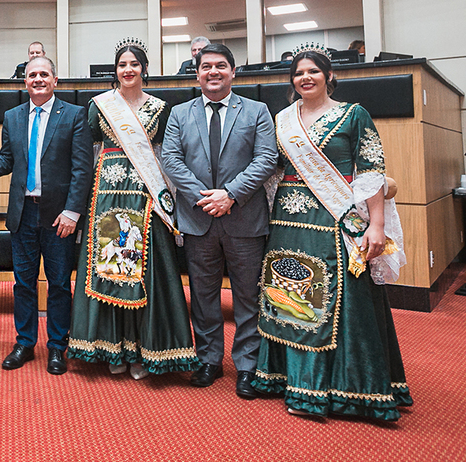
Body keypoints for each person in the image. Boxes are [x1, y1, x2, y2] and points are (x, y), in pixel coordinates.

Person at [252, 44, 411, 420]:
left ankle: (346, 387)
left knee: (339, 296)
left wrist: (376, 225)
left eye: (313, 72)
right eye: (298, 73)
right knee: (289, 293)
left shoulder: (353, 116)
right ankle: (290, 380)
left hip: (335, 218)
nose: (305, 78)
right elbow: (271, 170)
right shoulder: (282, 120)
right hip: (288, 222)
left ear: (329, 76)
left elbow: (371, 172)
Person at [67, 38, 199, 379]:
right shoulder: (99, 106)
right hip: (107, 195)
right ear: (116, 71)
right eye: (122, 65)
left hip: (146, 195)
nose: (128, 70)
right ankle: (112, 347)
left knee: (146, 272)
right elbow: (90, 151)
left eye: (134, 65)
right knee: (109, 268)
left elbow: (165, 155)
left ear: (144, 70)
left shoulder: (160, 108)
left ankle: (145, 349)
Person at [161, 42, 276, 399]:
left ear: (233, 72)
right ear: (196, 73)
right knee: (204, 295)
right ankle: (208, 358)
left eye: (221, 66)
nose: (213, 72)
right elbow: (171, 159)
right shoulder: (179, 113)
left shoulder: (257, 110)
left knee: (247, 296)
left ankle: (247, 365)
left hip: (244, 217)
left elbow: (266, 158)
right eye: (206, 66)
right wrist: (205, 197)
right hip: (198, 219)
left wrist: (229, 194)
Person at [0, 56, 93, 375]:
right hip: (22, 215)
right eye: (32, 75)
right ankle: (24, 342)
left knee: (59, 284)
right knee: (23, 283)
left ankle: (57, 347)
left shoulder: (75, 115)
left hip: (58, 218)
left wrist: (72, 212)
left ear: (55, 80)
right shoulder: (12, 116)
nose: (37, 79)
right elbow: (6, 161)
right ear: (24, 81)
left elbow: (82, 169)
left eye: (44, 74)